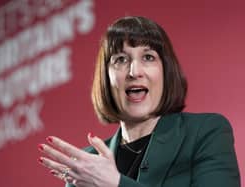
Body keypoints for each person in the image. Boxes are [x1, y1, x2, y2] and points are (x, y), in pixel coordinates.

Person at [37, 16, 240, 187]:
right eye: (121, 60)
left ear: (165, 71)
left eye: (148, 57)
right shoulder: (88, 163)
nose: (134, 72)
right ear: (106, 79)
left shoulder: (205, 132)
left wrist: (115, 183)